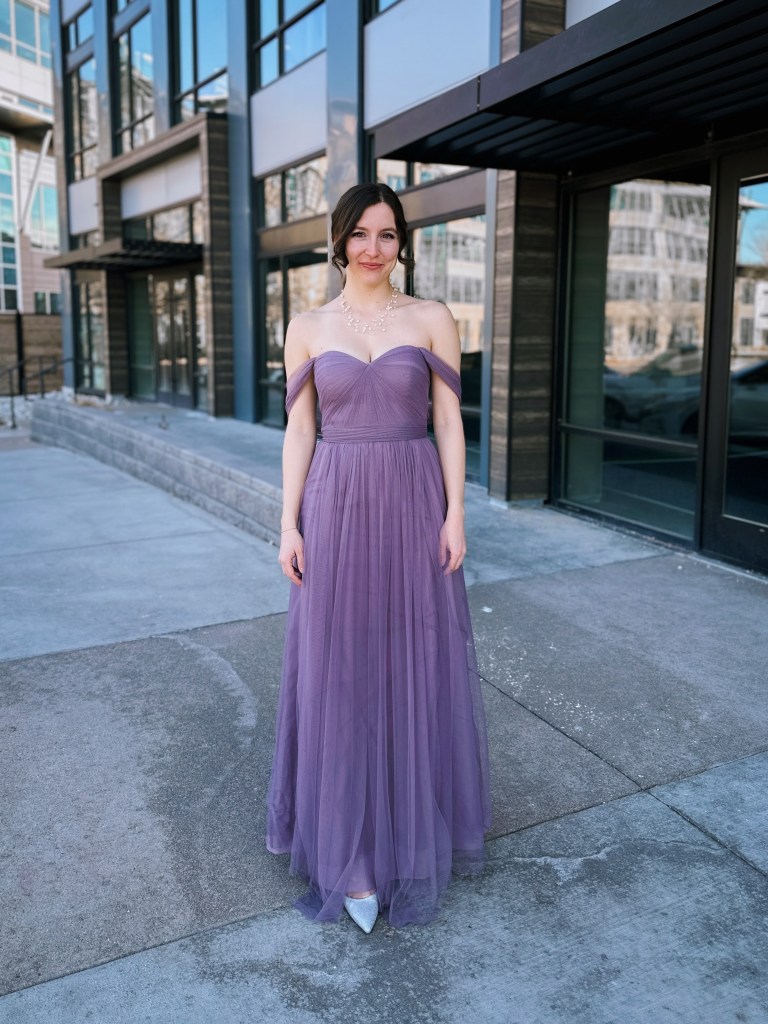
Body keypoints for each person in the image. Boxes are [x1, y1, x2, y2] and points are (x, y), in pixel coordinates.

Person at [266, 182, 491, 932]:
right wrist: (288, 522)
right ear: (337, 240)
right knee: (340, 670)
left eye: (387, 235)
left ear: (403, 244)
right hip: (333, 504)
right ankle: (351, 854)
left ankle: (404, 836)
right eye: (359, 233)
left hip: (412, 499)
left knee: (411, 665)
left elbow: (450, 423)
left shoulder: (431, 317)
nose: (372, 247)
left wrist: (457, 511)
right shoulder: (305, 325)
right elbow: (301, 431)